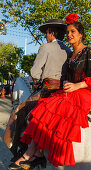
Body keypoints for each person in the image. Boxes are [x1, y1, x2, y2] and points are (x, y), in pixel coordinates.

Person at [8, 13, 91, 170]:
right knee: (44, 106)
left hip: (85, 92)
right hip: (71, 90)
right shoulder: (70, 55)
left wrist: (76, 86)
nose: (69, 35)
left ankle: (29, 152)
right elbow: (68, 76)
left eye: (73, 31)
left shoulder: (89, 51)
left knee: (51, 106)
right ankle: (37, 152)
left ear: (81, 34)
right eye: (67, 32)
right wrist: (67, 82)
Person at [4, 19, 71, 161]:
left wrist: (42, 75)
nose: (46, 36)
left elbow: (34, 73)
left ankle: (18, 149)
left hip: (48, 89)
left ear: (52, 33)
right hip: (64, 91)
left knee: (20, 110)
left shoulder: (45, 47)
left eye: (47, 33)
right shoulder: (69, 50)